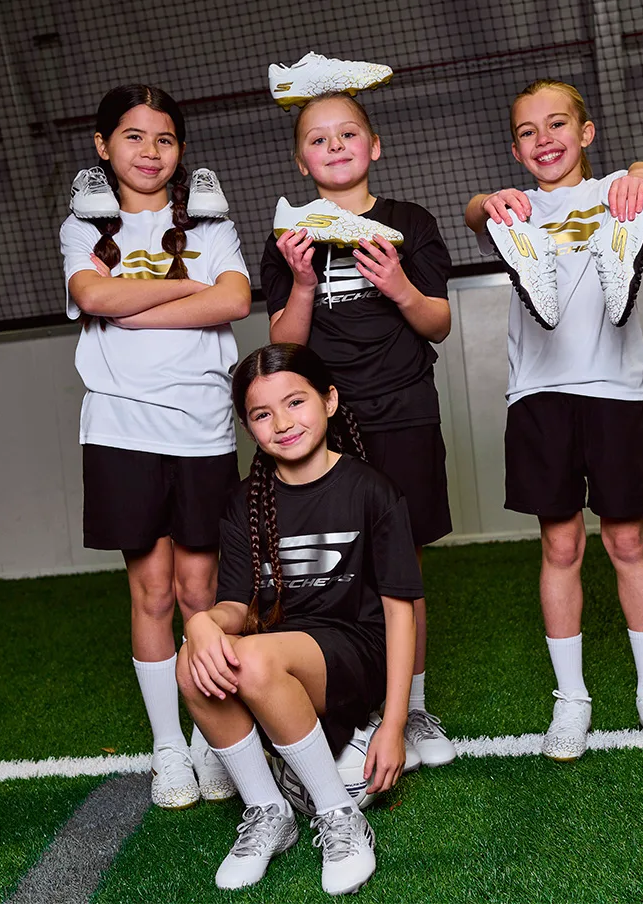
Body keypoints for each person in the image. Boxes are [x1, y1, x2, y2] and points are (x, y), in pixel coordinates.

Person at [464, 78, 643, 761]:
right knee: (560, 546)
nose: (544, 139)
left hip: (616, 389)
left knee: (627, 541)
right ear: (515, 150)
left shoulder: (614, 190)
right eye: (528, 132)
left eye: (557, 124)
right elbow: (473, 212)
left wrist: (642, 175)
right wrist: (489, 203)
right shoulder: (515, 205)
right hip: (538, 391)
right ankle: (572, 699)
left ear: (586, 133)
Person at [59, 84, 252, 809]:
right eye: (133, 137)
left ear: (181, 150)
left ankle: (211, 740)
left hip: (202, 429)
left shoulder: (212, 226)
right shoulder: (81, 226)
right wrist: (184, 290)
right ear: (103, 146)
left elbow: (234, 300)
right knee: (152, 590)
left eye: (164, 139)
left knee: (202, 592)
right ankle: (169, 748)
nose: (150, 152)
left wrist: (132, 304)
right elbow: (94, 297)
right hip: (121, 430)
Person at [177, 343, 421, 895]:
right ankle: (269, 811)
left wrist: (395, 724)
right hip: (275, 659)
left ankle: (338, 815)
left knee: (252, 659)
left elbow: (399, 614)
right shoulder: (244, 502)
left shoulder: (371, 489)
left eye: (295, 402)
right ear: (248, 427)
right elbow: (234, 606)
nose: (283, 424)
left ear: (329, 401)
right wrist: (200, 624)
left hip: (355, 655)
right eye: (263, 414)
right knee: (191, 662)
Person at [260, 90, 456, 769]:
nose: (335, 146)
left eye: (348, 134)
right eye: (318, 139)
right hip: (325, 424)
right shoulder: (288, 237)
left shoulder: (410, 221)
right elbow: (284, 345)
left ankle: (413, 708)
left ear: (374, 146)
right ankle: (356, 706)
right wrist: (302, 282)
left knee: (403, 565)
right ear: (301, 161)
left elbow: (438, 323)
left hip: (404, 411)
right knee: (338, 565)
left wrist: (398, 284)